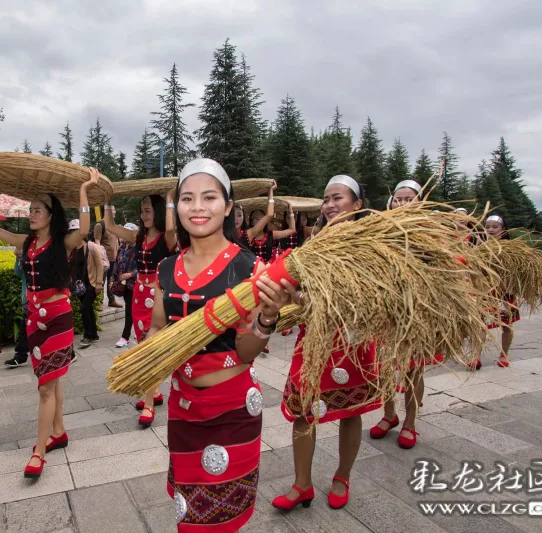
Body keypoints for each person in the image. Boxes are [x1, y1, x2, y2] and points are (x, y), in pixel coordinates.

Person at [152, 158, 290, 531]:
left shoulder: (249, 269)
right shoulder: (166, 269)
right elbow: (156, 332)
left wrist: (267, 317)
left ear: (228, 207)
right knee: (190, 515)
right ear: (177, 206)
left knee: (220, 519)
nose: (197, 207)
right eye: (187, 198)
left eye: (209, 197)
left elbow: (246, 351)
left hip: (231, 409)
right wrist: (148, 370)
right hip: (183, 410)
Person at [0, 169, 99, 479]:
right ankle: (58, 431)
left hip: (57, 319)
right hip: (34, 320)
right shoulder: (26, 241)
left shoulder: (64, 241)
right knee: (52, 378)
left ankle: (40, 450)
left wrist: (85, 189)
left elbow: (85, 227)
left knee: (45, 387)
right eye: (30, 209)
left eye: (36, 210)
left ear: (50, 215)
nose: (31, 214)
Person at [273, 174, 379, 512]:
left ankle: (342, 476)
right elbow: (303, 294)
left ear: (358, 204)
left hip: (352, 340)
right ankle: (302, 483)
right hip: (314, 336)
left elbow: (368, 297)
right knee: (304, 409)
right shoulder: (314, 243)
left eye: (338, 198)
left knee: (351, 410)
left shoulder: (372, 244)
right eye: (326, 199)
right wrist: (292, 297)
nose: (330, 205)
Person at [369, 180, 438, 449]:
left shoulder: (431, 230)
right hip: (388, 308)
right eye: (398, 199)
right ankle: (389, 415)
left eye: (409, 199)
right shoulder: (383, 229)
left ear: (420, 201)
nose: (402, 203)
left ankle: (410, 422)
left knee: (413, 370)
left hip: (418, 309)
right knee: (384, 367)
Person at [103, 196, 176, 427]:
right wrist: (107, 203)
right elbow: (111, 227)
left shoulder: (168, 237)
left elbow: (172, 225)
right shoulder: (139, 236)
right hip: (139, 294)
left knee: (149, 347)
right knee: (142, 342)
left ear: (159, 212)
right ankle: (153, 392)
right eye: (142, 211)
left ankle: (148, 404)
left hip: (159, 294)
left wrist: (170, 200)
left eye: (149, 211)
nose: (144, 216)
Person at [470, 214, 517, 369]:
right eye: (487, 226)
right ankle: (476, 356)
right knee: (480, 324)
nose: (490, 230)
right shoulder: (480, 246)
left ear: (503, 229)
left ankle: (504, 354)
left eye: (495, 227)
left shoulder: (513, 249)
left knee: (507, 325)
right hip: (485, 292)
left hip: (506, 292)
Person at [71, 220, 105, 347]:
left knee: (84, 308)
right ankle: (94, 334)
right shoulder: (72, 249)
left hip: (91, 283)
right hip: (80, 286)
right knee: (89, 309)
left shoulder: (91, 247)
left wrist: (99, 283)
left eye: (77, 231)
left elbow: (100, 266)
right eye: (72, 232)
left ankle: (88, 336)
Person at [114, 222, 139, 348]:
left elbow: (144, 267)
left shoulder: (139, 248)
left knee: (129, 310)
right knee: (131, 309)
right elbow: (117, 264)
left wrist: (131, 274)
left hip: (135, 284)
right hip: (123, 284)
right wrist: (114, 278)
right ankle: (137, 328)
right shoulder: (122, 247)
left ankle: (125, 337)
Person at [4, 248, 30, 367]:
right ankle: (21, 355)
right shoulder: (25, 254)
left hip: (44, 297)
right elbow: (18, 273)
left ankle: (69, 352)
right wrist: (19, 258)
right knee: (25, 326)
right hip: (28, 298)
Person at [234, 184, 277, 250]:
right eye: (233, 215)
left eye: (239, 215)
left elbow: (269, 214)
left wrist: (270, 192)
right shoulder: (222, 235)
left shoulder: (248, 234)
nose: (236, 219)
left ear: (243, 217)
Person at [97, 217, 122, 308]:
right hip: (104, 259)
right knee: (101, 281)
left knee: (111, 280)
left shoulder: (113, 226)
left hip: (114, 259)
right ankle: (99, 302)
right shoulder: (100, 225)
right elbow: (97, 242)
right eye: (112, 208)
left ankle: (112, 300)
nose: (114, 211)